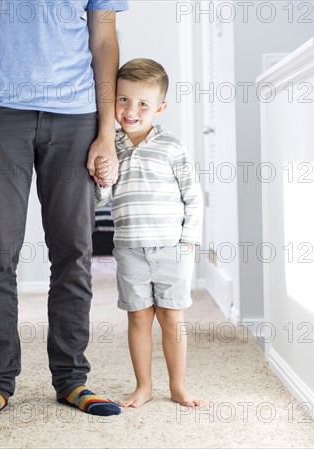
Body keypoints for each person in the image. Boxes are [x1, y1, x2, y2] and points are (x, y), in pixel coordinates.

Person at [0, 0, 129, 423]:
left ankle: (71, 380)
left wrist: (106, 131)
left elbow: (104, 39)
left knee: (74, 252)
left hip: (78, 116)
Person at [95, 58, 204, 408]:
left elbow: (193, 195)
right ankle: (143, 385)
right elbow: (102, 197)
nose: (131, 110)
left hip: (173, 248)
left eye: (143, 103)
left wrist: (189, 241)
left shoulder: (172, 146)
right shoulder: (112, 146)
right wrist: (102, 175)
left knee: (172, 317)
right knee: (139, 318)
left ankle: (178, 385)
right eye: (123, 100)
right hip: (129, 248)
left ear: (160, 108)